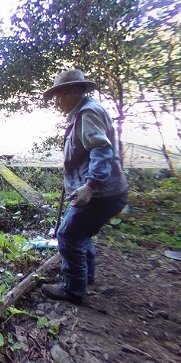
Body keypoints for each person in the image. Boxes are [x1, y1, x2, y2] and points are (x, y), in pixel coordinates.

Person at [41, 69, 128, 305]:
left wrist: (89, 187)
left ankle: (72, 289)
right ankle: (85, 276)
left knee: (68, 235)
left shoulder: (88, 113)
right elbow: (84, 152)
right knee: (82, 232)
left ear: (75, 91)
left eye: (60, 94)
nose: (57, 100)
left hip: (101, 192)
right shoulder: (82, 112)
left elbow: (102, 150)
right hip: (107, 190)